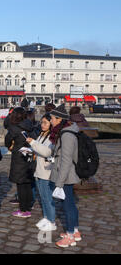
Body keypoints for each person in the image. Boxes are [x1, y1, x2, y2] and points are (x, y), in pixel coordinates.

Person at [49, 104, 81, 248]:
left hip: (66, 176)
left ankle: (70, 236)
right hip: (65, 174)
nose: (50, 121)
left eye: (52, 119)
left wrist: (59, 183)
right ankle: (74, 231)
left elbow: (66, 160)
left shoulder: (67, 135)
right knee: (70, 204)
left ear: (59, 120)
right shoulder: (65, 132)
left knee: (68, 206)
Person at [26, 113, 57, 232]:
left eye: (45, 123)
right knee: (43, 197)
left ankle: (52, 221)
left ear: (51, 124)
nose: (42, 125)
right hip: (38, 169)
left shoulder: (52, 137)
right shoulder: (41, 135)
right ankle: (46, 218)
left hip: (46, 171)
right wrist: (30, 149)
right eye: (41, 122)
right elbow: (38, 148)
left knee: (47, 197)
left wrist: (33, 143)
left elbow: (47, 152)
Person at [5, 107, 35, 218]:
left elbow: (7, 140)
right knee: (27, 181)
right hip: (29, 154)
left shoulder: (14, 128)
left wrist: (10, 147)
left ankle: (23, 210)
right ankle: (28, 205)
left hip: (19, 155)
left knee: (21, 183)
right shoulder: (30, 125)